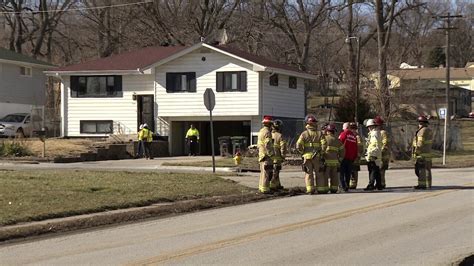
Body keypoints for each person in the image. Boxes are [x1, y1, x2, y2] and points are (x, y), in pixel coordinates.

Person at [296, 114, 323, 194]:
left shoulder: (304, 134)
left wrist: (302, 153)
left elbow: (298, 145)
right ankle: (321, 189)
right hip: (317, 157)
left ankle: (310, 189)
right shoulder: (319, 133)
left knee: (309, 174)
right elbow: (324, 144)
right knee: (319, 174)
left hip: (307, 158)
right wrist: (321, 153)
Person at [321, 124, 344, 193]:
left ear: (327, 131)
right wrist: (340, 160)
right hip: (335, 162)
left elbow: (321, 149)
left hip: (326, 162)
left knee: (325, 176)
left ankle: (325, 189)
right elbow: (343, 151)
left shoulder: (324, 139)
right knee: (334, 177)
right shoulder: (338, 141)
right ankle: (334, 189)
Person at [412, 115, 433, 189]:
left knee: (421, 170)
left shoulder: (422, 131)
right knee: (427, 169)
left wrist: (416, 151)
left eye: (419, 123)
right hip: (427, 153)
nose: (418, 124)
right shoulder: (428, 130)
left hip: (422, 153)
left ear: (421, 123)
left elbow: (420, 143)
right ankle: (427, 184)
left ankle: (422, 185)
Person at [364, 119, 383, 191]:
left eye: (369, 127)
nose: (368, 129)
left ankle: (371, 184)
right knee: (377, 170)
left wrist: (372, 154)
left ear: (371, 126)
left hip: (373, 155)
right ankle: (379, 185)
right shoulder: (376, 133)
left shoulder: (374, 134)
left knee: (372, 170)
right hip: (376, 155)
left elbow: (375, 145)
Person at [257, 116, 275, 194]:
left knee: (262, 172)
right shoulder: (267, 132)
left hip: (261, 155)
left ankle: (261, 188)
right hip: (266, 156)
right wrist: (271, 154)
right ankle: (265, 189)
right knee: (267, 173)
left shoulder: (261, 131)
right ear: (270, 124)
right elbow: (268, 144)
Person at [339, 122, 358, 191]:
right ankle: (346, 186)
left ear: (345, 127)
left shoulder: (343, 134)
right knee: (348, 173)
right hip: (351, 157)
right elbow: (356, 147)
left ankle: (342, 186)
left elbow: (339, 144)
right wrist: (354, 156)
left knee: (342, 172)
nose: (342, 128)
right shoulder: (353, 136)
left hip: (344, 156)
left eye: (343, 127)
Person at [271, 119, 287, 191]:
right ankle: (273, 186)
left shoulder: (269, 135)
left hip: (269, 158)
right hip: (277, 158)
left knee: (273, 171)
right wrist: (283, 156)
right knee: (276, 172)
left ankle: (278, 184)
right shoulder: (280, 136)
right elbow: (283, 147)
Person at [374, 116, 391, 189]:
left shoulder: (382, 132)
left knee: (381, 170)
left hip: (383, 155)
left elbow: (385, 142)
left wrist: (380, 151)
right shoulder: (376, 132)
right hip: (378, 154)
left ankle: (382, 184)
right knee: (378, 170)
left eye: (376, 125)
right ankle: (379, 183)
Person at [349, 122, 364, 189]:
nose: (352, 130)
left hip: (356, 157)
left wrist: (358, 154)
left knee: (354, 170)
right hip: (350, 155)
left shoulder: (357, 137)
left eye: (353, 128)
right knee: (350, 170)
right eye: (351, 128)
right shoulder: (349, 136)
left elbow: (360, 147)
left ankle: (354, 184)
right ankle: (350, 182)